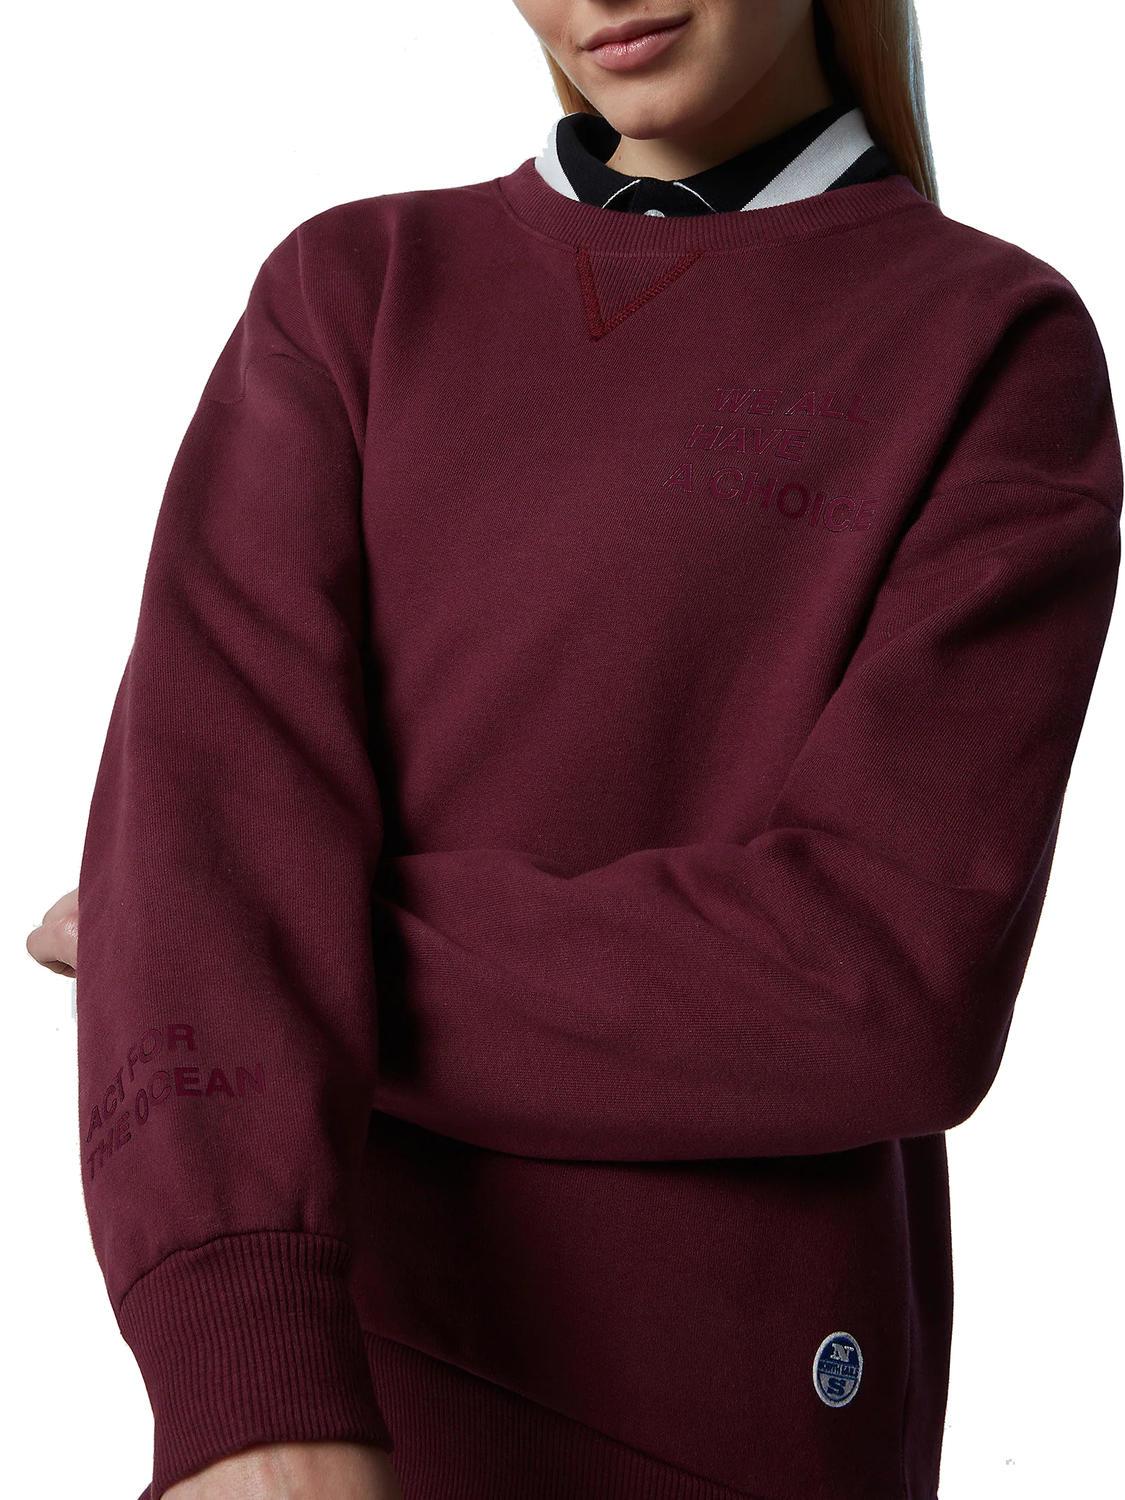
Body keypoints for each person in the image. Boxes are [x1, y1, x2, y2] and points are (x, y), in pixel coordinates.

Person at [27, 2, 1122, 1498]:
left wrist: (245, 950)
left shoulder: (987, 340)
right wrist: (251, 1386)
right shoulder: (352, 291)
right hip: (319, 1409)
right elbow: (204, 821)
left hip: (738, 1423)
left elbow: (881, 987)